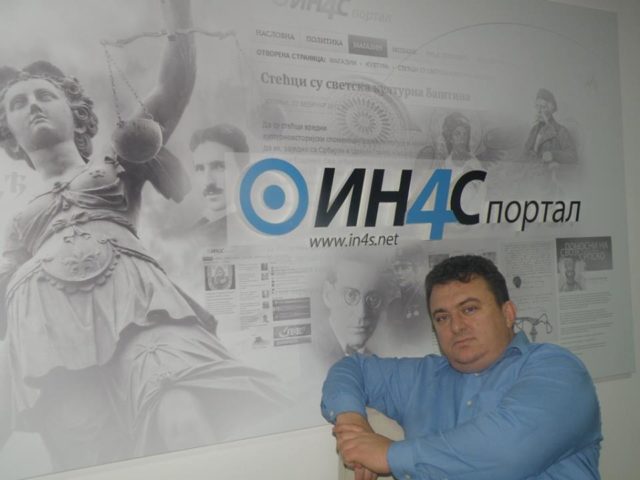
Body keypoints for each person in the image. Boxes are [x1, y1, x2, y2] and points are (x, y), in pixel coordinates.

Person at [0, 0, 286, 472]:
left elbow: (173, 88)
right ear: (8, 133)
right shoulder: (16, 223)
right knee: (92, 456)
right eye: (17, 103)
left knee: (182, 413)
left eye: (44, 96)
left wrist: (178, 13)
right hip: (50, 333)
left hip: (139, 305)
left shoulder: (116, 160)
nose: (31, 105)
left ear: (76, 112)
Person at [322, 255, 601, 480]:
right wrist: (351, 419)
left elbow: (506, 451)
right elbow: (351, 369)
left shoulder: (557, 370)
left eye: (469, 309)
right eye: (442, 317)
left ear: (508, 314)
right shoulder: (422, 377)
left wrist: (389, 456)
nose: (456, 326)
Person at [312, 256, 387, 373]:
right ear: (328, 295)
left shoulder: (377, 363)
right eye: (351, 295)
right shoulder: (310, 353)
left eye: (372, 298)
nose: (362, 313)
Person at [188, 123, 248, 246]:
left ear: (243, 170)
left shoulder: (245, 231)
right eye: (200, 168)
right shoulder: (198, 229)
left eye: (219, 167)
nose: (208, 181)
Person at [523, 88, 577, 164]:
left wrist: (553, 155)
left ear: (551, 109)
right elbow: (525, 153)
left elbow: (572, 156)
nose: (539, 111)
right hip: (532, 169)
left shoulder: (561, 131)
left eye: (543, 107)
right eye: (537, 106)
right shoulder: (534, 130)